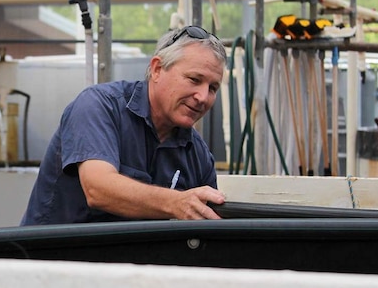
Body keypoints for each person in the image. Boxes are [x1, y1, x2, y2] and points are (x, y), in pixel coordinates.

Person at [21, 25, 227, 225]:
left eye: (212, 88)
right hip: (53, 257)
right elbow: (98, 189)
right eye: (194, 79)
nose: (202, 97)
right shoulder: (98, 106)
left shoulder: (198, 155)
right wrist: (176, 202)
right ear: (156, 69)